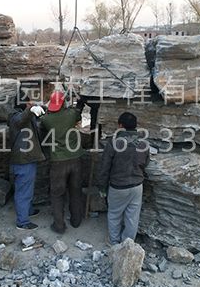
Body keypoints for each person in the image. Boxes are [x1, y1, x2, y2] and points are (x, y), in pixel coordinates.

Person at [96, 112, 150, 245]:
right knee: (132, 217)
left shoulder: (114, 143)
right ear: (136, 126)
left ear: (120, 125)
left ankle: (114, 243)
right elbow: (146, 163)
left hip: (118, 186)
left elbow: (104, 167)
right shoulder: (143, 143)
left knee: (114, 215)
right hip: (137, 186)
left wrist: (102, 187)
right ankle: (128, 245)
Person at [39, 90, 85, 234]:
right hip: (75, 158)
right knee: (75, 190)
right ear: (63, 103)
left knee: (57, 194)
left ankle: (59, 225)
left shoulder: (46, 119)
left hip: (58, 161)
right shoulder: (71, 114)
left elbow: (42, 130)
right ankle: (76, 220)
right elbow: (78, 114)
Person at [8, 90, 46, 230]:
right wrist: (30, 109)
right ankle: (22, 222)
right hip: (23, 161)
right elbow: (21, 119)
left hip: (27, 159)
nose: (31, 103)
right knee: (23, 191)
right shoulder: (15, 117)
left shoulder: (23, 116)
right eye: (29, 101)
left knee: (27, 188)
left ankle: (28, 210)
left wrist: (41, 107)